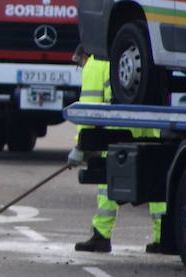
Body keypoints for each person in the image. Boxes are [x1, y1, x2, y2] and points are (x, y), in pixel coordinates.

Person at [68, 45, 166, 254]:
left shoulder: (95, 64)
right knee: (157, 182)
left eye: (79, 64)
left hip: (117, 134)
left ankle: (101, 235)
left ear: (83, 55)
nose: (81, 67)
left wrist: (81, 146)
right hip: (149, 130)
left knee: (107, 184)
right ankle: (163, 237)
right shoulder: (133, 53)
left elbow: (89, 110)